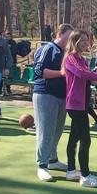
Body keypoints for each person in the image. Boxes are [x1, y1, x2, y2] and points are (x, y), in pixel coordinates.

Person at [63, 31, 97, 187]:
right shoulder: (70, 58)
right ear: (75, 42)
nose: (87, 43)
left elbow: (89, 79)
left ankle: (71, 170)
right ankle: (85, 176)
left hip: (83, 104)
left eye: (88, 40)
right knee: (86, 140)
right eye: (83, 40)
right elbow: (81, 74)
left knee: (74, 138)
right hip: (75, 105)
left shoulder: (83, 60)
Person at [32, 24, 74, 182]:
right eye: (69, 36)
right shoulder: (48, 48)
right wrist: (62, 73)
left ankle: (52, 159)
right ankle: (42, 165)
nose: (70, 40)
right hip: (45, 94)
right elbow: (38, 71)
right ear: (60, 33)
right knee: (46, 130)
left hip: (61, 95)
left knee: (57, 130)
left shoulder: (67, 52)